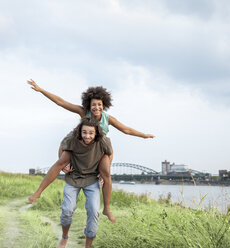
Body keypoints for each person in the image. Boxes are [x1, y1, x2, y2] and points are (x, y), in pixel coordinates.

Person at [27, 79, 155, 223]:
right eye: (94, 104)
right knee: (65, 143)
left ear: (104, 105)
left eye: (99, 105)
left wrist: (144, 135)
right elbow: (61, 102)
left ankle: (106, 207)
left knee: (108, 161)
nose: (96, 107)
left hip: (99, 147)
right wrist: (41, 90)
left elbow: (126, 130)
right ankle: (39, 192)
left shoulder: (108, 118)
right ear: (89, 105)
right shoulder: (83, 112)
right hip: (81, 141)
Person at [29, 117, 112, 248]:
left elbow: (109, 154)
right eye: (84, 132)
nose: (87, 136)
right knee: (67, 210)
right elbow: (58, 162)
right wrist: (38, 192)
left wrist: (104, 169)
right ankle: (64, 237)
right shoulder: (72, 140)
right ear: (80, 132)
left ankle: (87, 246)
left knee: (93, 211)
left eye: (91, 133)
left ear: (96, 133)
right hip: (73, 177)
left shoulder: (103, 142)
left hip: (92, 180)